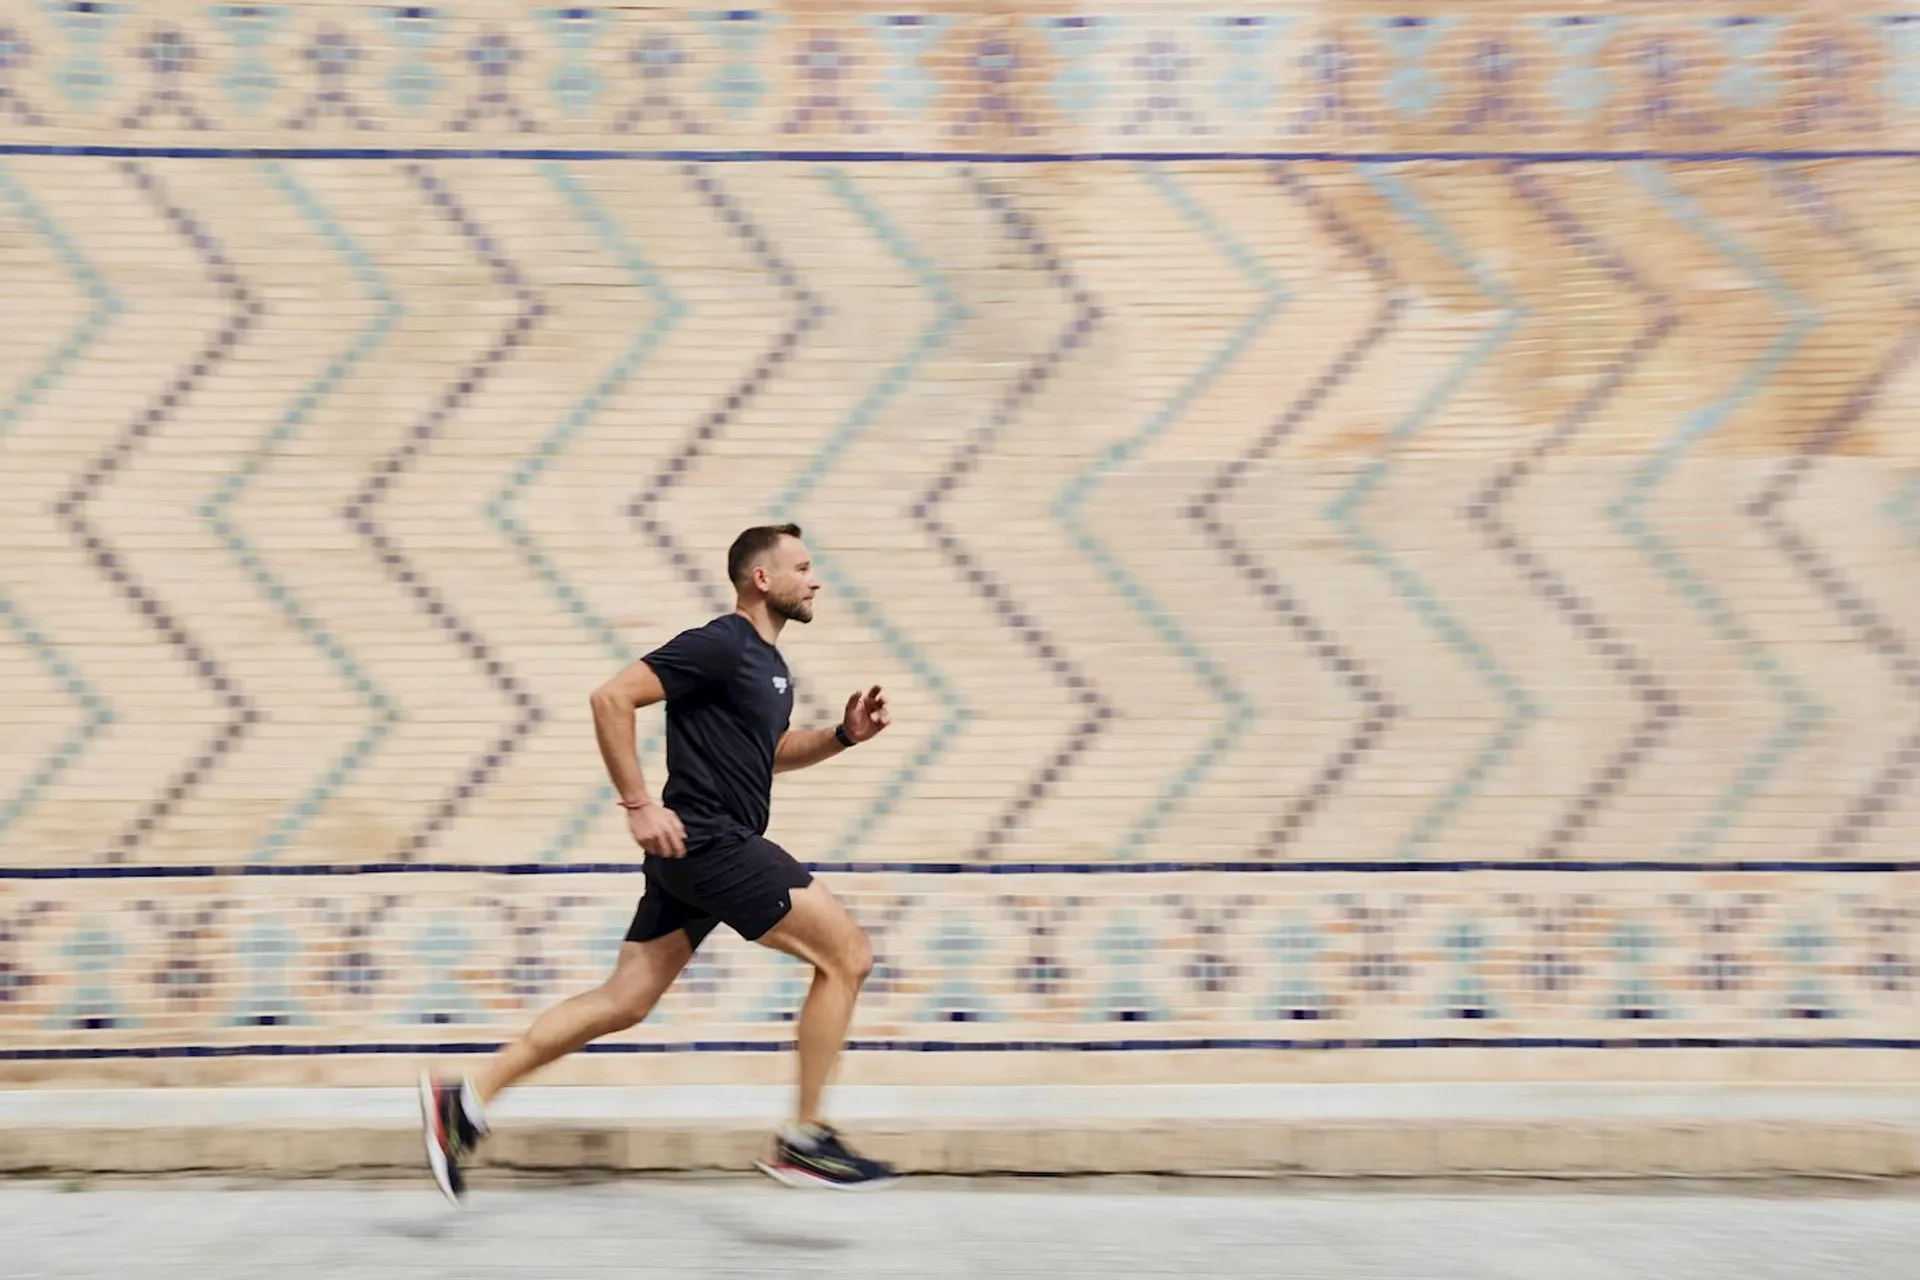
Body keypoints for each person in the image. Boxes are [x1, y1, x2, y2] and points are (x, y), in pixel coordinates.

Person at [418, 522, 896, 1200]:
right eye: (803, 566)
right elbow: (611, 697)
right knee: (847, 956)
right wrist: (638, 802)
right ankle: (807, 1140)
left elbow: (771, 754)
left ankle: (461, 1102)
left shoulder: (770, 667)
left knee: (625, 1000)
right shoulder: (722, 643)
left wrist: (844, 736)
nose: (815, 579)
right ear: (762, 579)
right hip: (710, 841)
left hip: (692, 854)